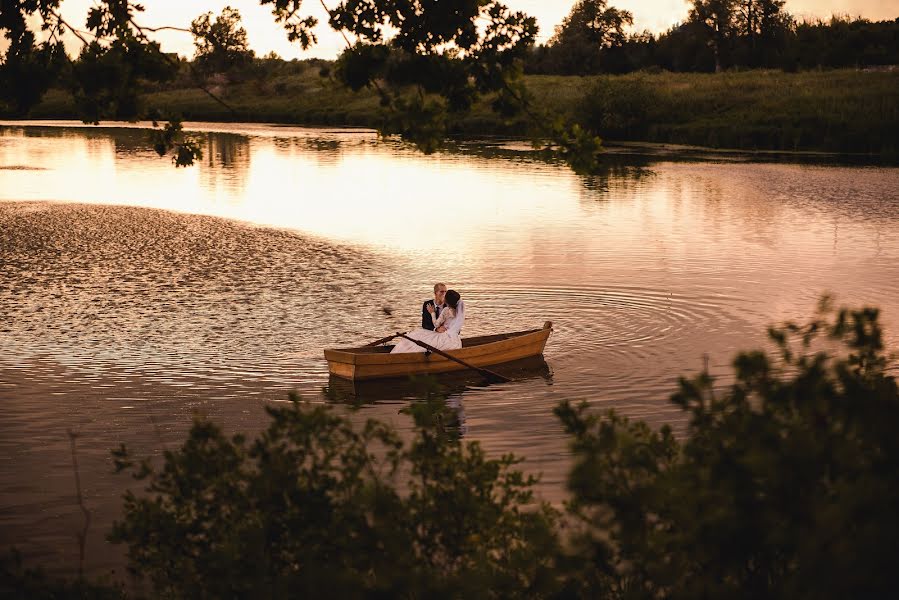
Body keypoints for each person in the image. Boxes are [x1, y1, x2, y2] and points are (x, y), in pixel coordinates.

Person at [392, 289, 465, 353]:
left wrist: (432, 313)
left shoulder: (446, 310)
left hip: (444, 337)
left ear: (446, 300)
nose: (443, 295)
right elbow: (456, 328)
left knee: (416, 336)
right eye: (442, 292)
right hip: (455, 340)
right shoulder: (459, 312)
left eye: (445, 294)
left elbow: (436, 324)